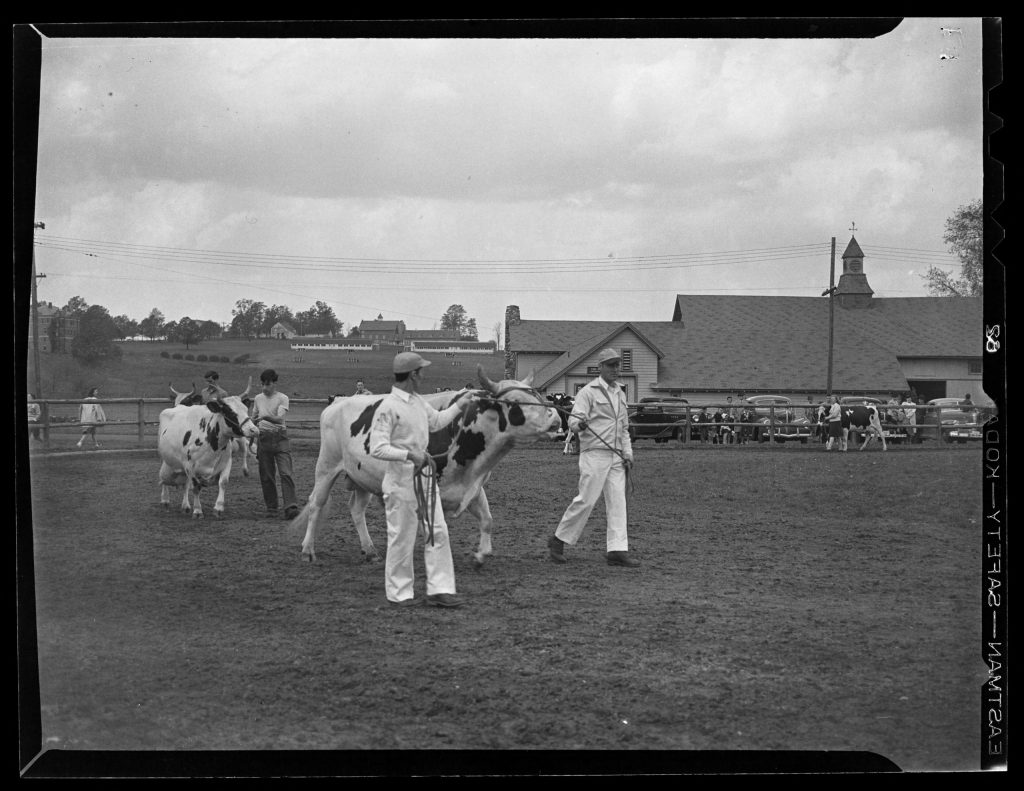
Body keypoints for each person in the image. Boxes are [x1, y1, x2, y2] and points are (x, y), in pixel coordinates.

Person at [369, 351, 476, 607]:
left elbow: (436, 422)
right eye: (421, 371)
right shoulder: (387, 407)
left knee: (438, 531)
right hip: (401, 481)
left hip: (425, 478)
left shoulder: (417, 402)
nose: (424, 375)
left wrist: (460, 405)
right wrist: (410, 456)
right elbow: (377, 448)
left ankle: (440, 588)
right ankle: (399, 593)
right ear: (413, 375)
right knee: (402, 537)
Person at [548, 348, 638, 568]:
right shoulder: (588, 392)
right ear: (600, 368)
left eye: (618, 365)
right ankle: (558, 540)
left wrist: (628, 453)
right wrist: (581, 424)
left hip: (616, 456)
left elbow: (624, 428)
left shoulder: (621, 393)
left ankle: (617, 550)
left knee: (618, 502)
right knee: (586, 499)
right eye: (610, 365)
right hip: (594, 453)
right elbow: (573, 423)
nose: (616, 369)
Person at [252, 369, 299, 520]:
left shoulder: (282, 398)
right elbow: (253, 420)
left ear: (274, 384)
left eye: (268, 384)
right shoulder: (258, 399)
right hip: (263, 437)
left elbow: (280, 419)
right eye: (263, 384)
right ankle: (271, 507)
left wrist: (264, 416)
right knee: (266, 475)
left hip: (280, 437)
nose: (265, 388)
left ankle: (291, 507)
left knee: (286, 472)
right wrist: (251, 441)